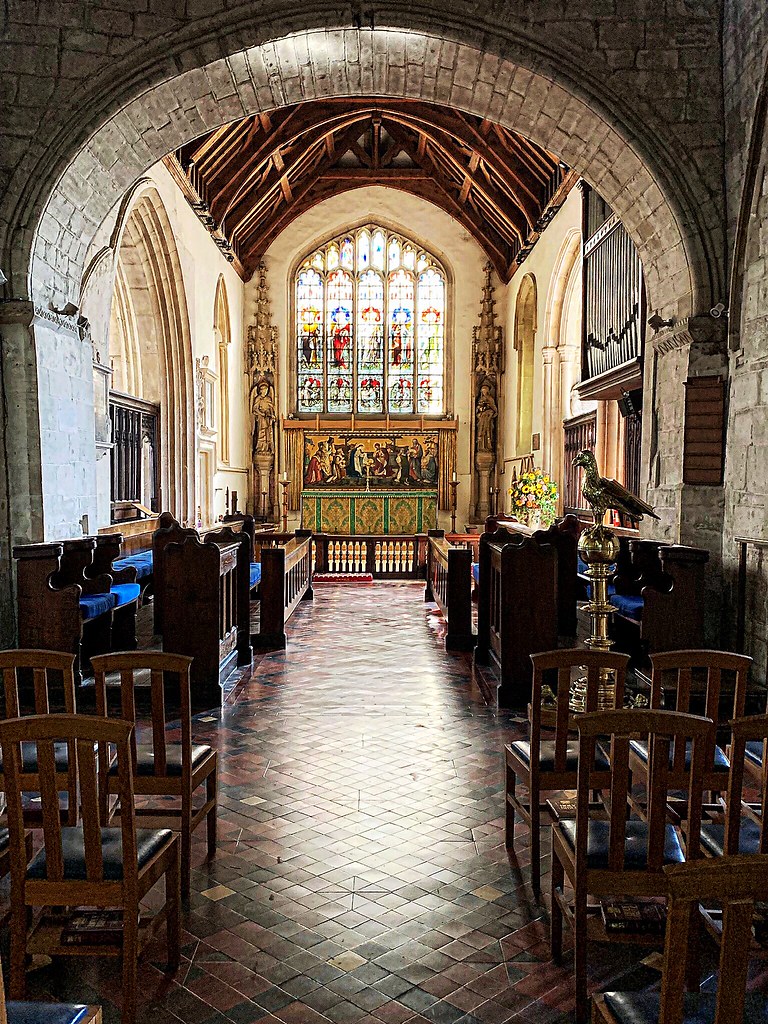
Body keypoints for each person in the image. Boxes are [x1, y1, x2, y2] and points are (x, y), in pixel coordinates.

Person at [251, 380, 275, 456]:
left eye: (266, 390)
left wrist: (272, 415)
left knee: (268, 433)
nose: (265, 392)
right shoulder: (258, 399)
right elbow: (254, 409)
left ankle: (267, 448)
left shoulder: (268, 399)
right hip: (261, 418)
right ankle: (260, 448)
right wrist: (261, 413)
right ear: (261, 391)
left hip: (268, 418)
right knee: (261, 433)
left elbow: (271, 408)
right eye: (264, 390)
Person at [476, 383, 498, 452]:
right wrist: (479, 409)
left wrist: (490, 412)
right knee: (481, 431)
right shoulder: (480, 399)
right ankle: (481, 446)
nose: (484, 392)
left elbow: (494, 409)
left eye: (485, 391)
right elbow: (477, 410)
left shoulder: (490, 399)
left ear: (488, 391)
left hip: (488, 419)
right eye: (483, 391)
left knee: (488, 432)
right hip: (481, 419)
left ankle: (488, 446)